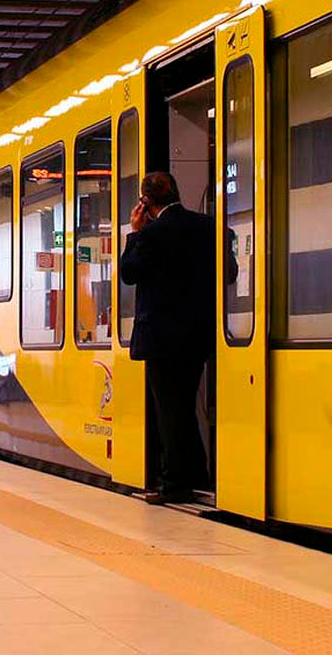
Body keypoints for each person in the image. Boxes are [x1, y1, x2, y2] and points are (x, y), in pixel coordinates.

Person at [118, 171, 215, 505]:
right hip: (200, 334)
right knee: (184, 406)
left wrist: (134, 233)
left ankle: (175, 482)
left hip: (161, 337)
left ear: (145, 202)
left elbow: (129, 273)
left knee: (170, 410)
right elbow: (228, 273)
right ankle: (198, 474)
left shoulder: (152, 233)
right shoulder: (207, 226)